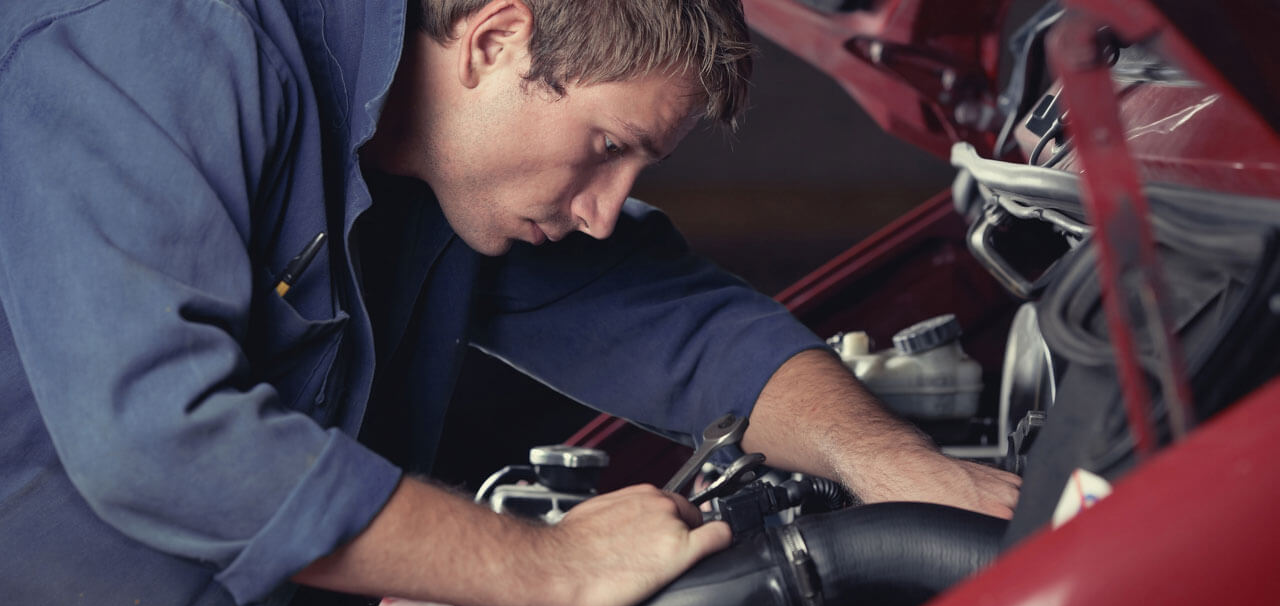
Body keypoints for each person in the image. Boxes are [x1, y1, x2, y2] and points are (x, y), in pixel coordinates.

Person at [0, 0, 1020, 604]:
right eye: (608, 148)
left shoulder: (452, 171)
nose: (604, 208)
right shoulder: (152, 42)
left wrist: (889, 463)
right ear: (494, 41)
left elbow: (683, 321)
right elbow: (158, 443)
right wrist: (546, 568)